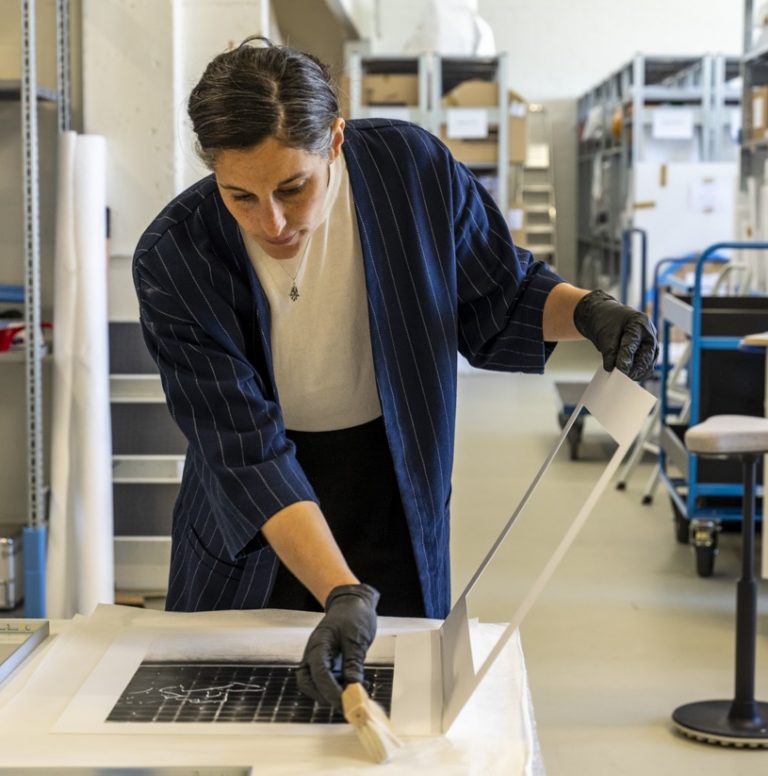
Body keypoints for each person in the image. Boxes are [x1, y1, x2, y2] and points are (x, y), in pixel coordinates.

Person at [133, 37, 657, 711]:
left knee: (401, 706)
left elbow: (498, 294)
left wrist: (590, 312)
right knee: (243, 717)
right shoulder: (175, 259)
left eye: (294, 188)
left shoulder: (411, 174)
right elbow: (245, 449)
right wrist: (339, 591)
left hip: (392, 481)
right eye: (241, 197)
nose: (274, 222)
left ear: (336, 141)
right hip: (258, 517)